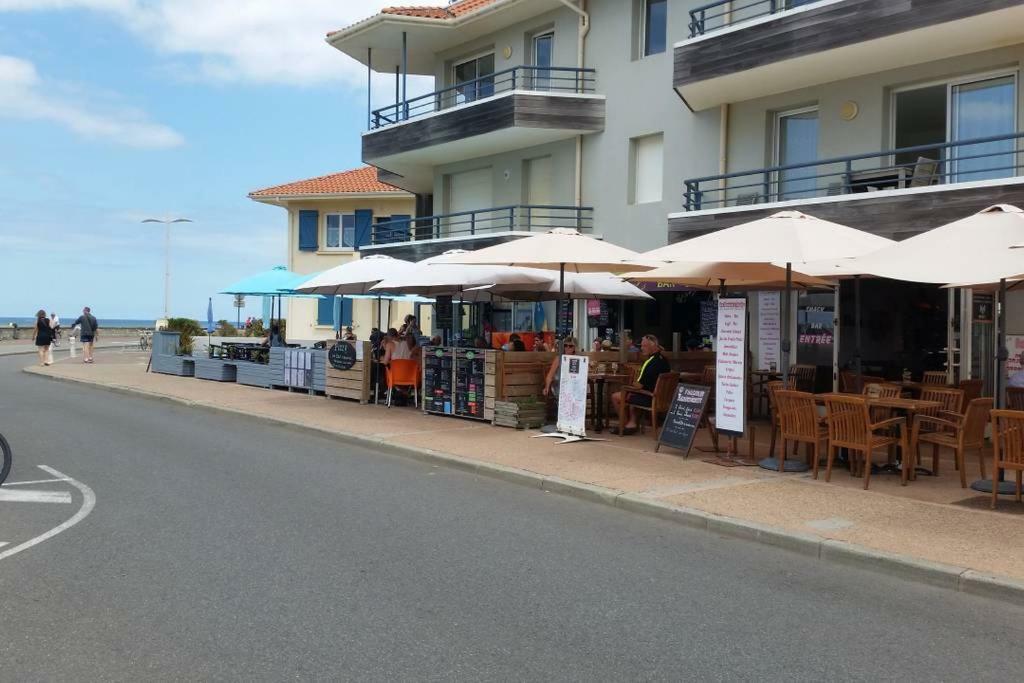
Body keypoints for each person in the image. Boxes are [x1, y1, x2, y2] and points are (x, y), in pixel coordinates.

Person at [611, 334, 671, 435]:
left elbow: (640, 386)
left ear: (653, 346)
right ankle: (632, 422)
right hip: (662, 398)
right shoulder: (664, 360)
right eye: (641, 346)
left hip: (650, 398)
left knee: (616, 396)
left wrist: (629, 385)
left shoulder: (650, 363)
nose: (641, 348)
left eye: (644, 346)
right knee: (631, 394)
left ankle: (625, 426)